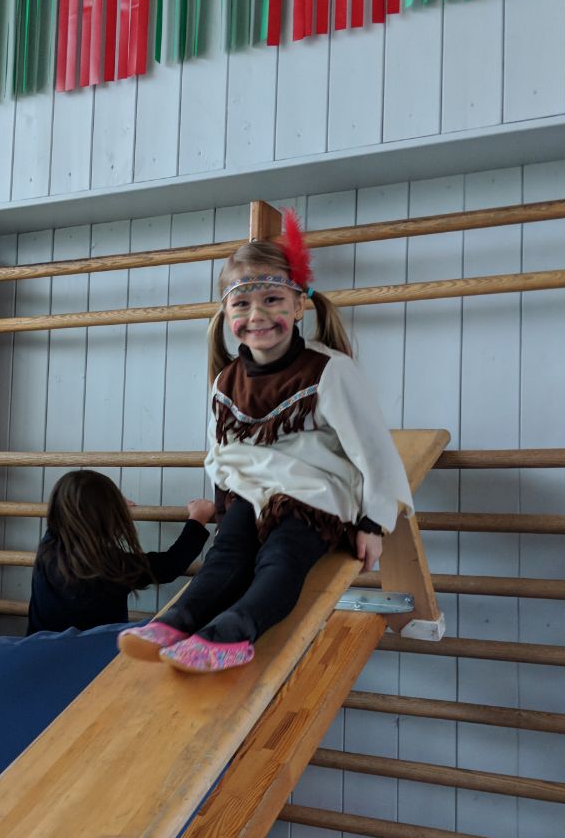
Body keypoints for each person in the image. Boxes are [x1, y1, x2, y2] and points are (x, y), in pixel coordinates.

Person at [117, 210, 412, 673]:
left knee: (281, 559)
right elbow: (221, 452)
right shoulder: (226, 380)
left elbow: (375, 451)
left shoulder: (329, 370)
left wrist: (373, 525)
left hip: (314, 494)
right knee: (225, 557)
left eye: (273, 299)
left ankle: (235, 631)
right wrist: (223, 509)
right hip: (252, 494)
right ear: (226, 313)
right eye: (242, 305)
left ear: (298, 306)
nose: (257, 315)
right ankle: (178, 620)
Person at [26, 469, 214, 634]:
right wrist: (198, 519)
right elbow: (170, 564)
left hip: (39, 649)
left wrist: (108, 506)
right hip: (93, 655)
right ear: (106, 516)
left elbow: (69, 507)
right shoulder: (111, 565)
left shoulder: (47, 547)